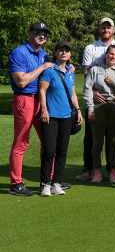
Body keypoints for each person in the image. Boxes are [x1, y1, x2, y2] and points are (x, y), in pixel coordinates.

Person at [79, 17, 115, 181]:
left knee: (113, 142)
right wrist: (91, 108)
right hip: (98, 108)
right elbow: (87, 88)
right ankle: (95, 170)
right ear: (105, 55)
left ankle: (113, 170)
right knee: (96, 142)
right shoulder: (95, 69)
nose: (113, 57)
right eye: (110, 54)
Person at [7, 22, 53, 196]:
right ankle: (16, 183)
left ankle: (48, 180)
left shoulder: (43, 53)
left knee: (48, 139)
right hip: (24, 99)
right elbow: (21, 81)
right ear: (30, 33)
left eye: (45, 33)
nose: (42, 36)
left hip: (40, 100)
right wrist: (42, 67)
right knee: (21, 142)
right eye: (38, 32)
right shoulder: (19, 52)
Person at [37, 40, 82, 197]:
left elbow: (72, 93)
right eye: (60, 50)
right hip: (51, 116)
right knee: (49, 150)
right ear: (55, 53)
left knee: (62, 150)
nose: (63, 52)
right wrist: (44, 109)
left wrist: (78, 110)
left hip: (67, 116)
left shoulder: (70, 71)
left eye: (66, 50)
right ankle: (45, 184)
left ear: (70, 54)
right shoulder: (49, 70)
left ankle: (57, 182)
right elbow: (42, 90)